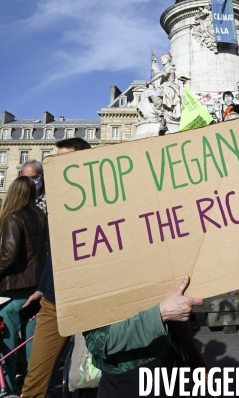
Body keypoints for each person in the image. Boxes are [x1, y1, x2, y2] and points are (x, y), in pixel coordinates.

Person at [21, 137, 92, 398]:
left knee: (92, 377)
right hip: (54, 300)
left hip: (90, 298)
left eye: (65, 160)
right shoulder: (55, 201)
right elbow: (56, 253)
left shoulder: (102, 200)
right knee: (35, 379)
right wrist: (41, 289)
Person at [84, 275, 203, 397]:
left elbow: (175, 320)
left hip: (165, 369)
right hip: (127, 381)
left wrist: (195, 359)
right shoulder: (91, 278)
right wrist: (161, 313)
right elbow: (99, 342)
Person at [0, 176, 46, 392]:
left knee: (6, 345)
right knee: (32, 346)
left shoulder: (13, 217)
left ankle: (6, 389)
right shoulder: (40, 216)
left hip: (13, 289)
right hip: (35, 287)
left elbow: (8, 256)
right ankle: (32, 390)